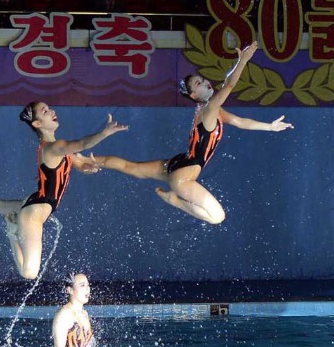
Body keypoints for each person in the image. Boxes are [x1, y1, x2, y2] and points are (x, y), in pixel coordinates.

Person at [92, 42, 294, 225]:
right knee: (217, 217)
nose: (205, 82)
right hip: (183, 175)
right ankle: (175, 201)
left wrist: (270, 127)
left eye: (202, 79)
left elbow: (241, 122)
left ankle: (85, 158)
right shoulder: (209, 108)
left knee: (132, 167)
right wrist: (242, 61)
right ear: (194, 95)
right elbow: (229, 85)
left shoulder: (211, 110)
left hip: (178, 163)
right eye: (198, 84)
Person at [0, 104, 127, 280]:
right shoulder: (53, 147)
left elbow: (76, 162)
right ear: (37, 124)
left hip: (36, 203)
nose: (52, 111)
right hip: (35, 212)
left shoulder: (59, 149)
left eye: (49, 108)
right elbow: (83, 143)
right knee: (29, 272)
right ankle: (11, 231)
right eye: (45, 111)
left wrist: (86, 167)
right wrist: (104, 133)